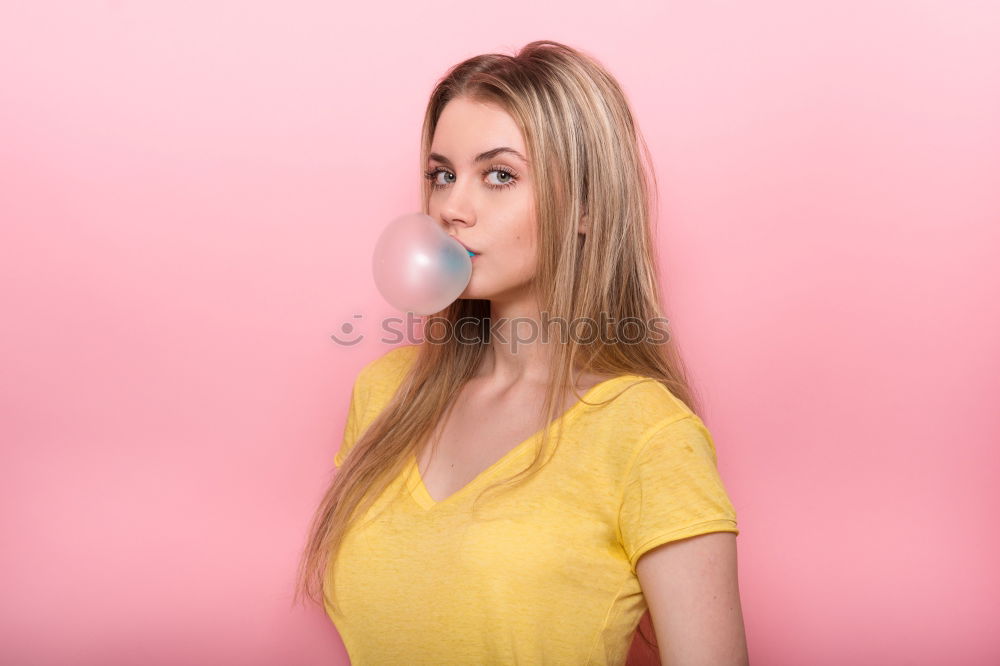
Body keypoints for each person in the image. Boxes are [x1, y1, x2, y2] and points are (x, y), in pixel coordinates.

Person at [296, 40, 749, 665]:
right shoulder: (384, 395)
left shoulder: (648, 435)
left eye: (499, 175)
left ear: (586, 207)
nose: (452, 208)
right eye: (442, 174)